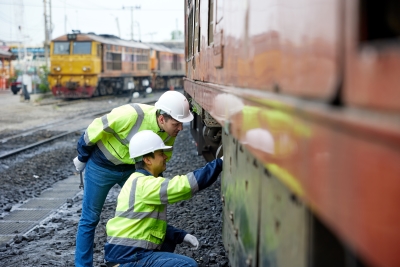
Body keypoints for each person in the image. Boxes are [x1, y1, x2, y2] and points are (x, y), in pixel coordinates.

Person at [72, 91, 194, 267]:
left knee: (150, 211)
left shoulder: (170, 132)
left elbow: (159, 161)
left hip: (132, 169)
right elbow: (94, 129)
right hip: (101, 165)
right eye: (177, 123)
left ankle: (147, 258)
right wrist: (82, 157)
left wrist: (156, 186)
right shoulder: (132, 115)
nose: (180, 128)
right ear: (162, 119)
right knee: (90, 218)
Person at [104, 130, 223, 267]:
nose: (165, 157)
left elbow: (147, 226)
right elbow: (184, 186)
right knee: (187, 265)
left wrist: (181, 236)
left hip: (122, 255)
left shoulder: (135, 181)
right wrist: (218, 164)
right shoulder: (145, 184)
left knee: (167, 242)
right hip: (130, 257)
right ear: (147, 160)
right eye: (161, 154)